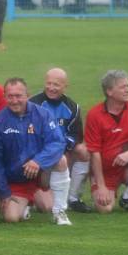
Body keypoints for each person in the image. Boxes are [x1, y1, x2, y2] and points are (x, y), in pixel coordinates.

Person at [0, 78, 71, 225]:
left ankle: (59, 211)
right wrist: (4, 193)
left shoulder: (43, 115)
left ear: (27, 95)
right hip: (15, 180)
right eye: (10, 96)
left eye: (19, 96)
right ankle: (26, 203)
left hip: (39, 175)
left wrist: (38, 161)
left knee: (61, 161)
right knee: (11, 218)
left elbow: (57, 142)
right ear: (5, 96)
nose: (14, 101)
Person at [85, 70, 128, 214]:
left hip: (127, 168)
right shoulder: (94, 114)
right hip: (105, 172)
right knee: (104, 209)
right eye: (123, 87)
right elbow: (95, 153)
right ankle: (98, 186)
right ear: (109, 91)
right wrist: (101, 185)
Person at [30, 68, 92, 213]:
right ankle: (33, 193)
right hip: (39, 154)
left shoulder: (72, 107)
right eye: (48, 83)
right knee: (47, 207)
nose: (51, 88)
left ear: (65, 86)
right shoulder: (33, 104)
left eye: (56, 85)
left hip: (63, 152)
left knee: (83, 151)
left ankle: (74, 198)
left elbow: (76, 135)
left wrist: (60, 148)